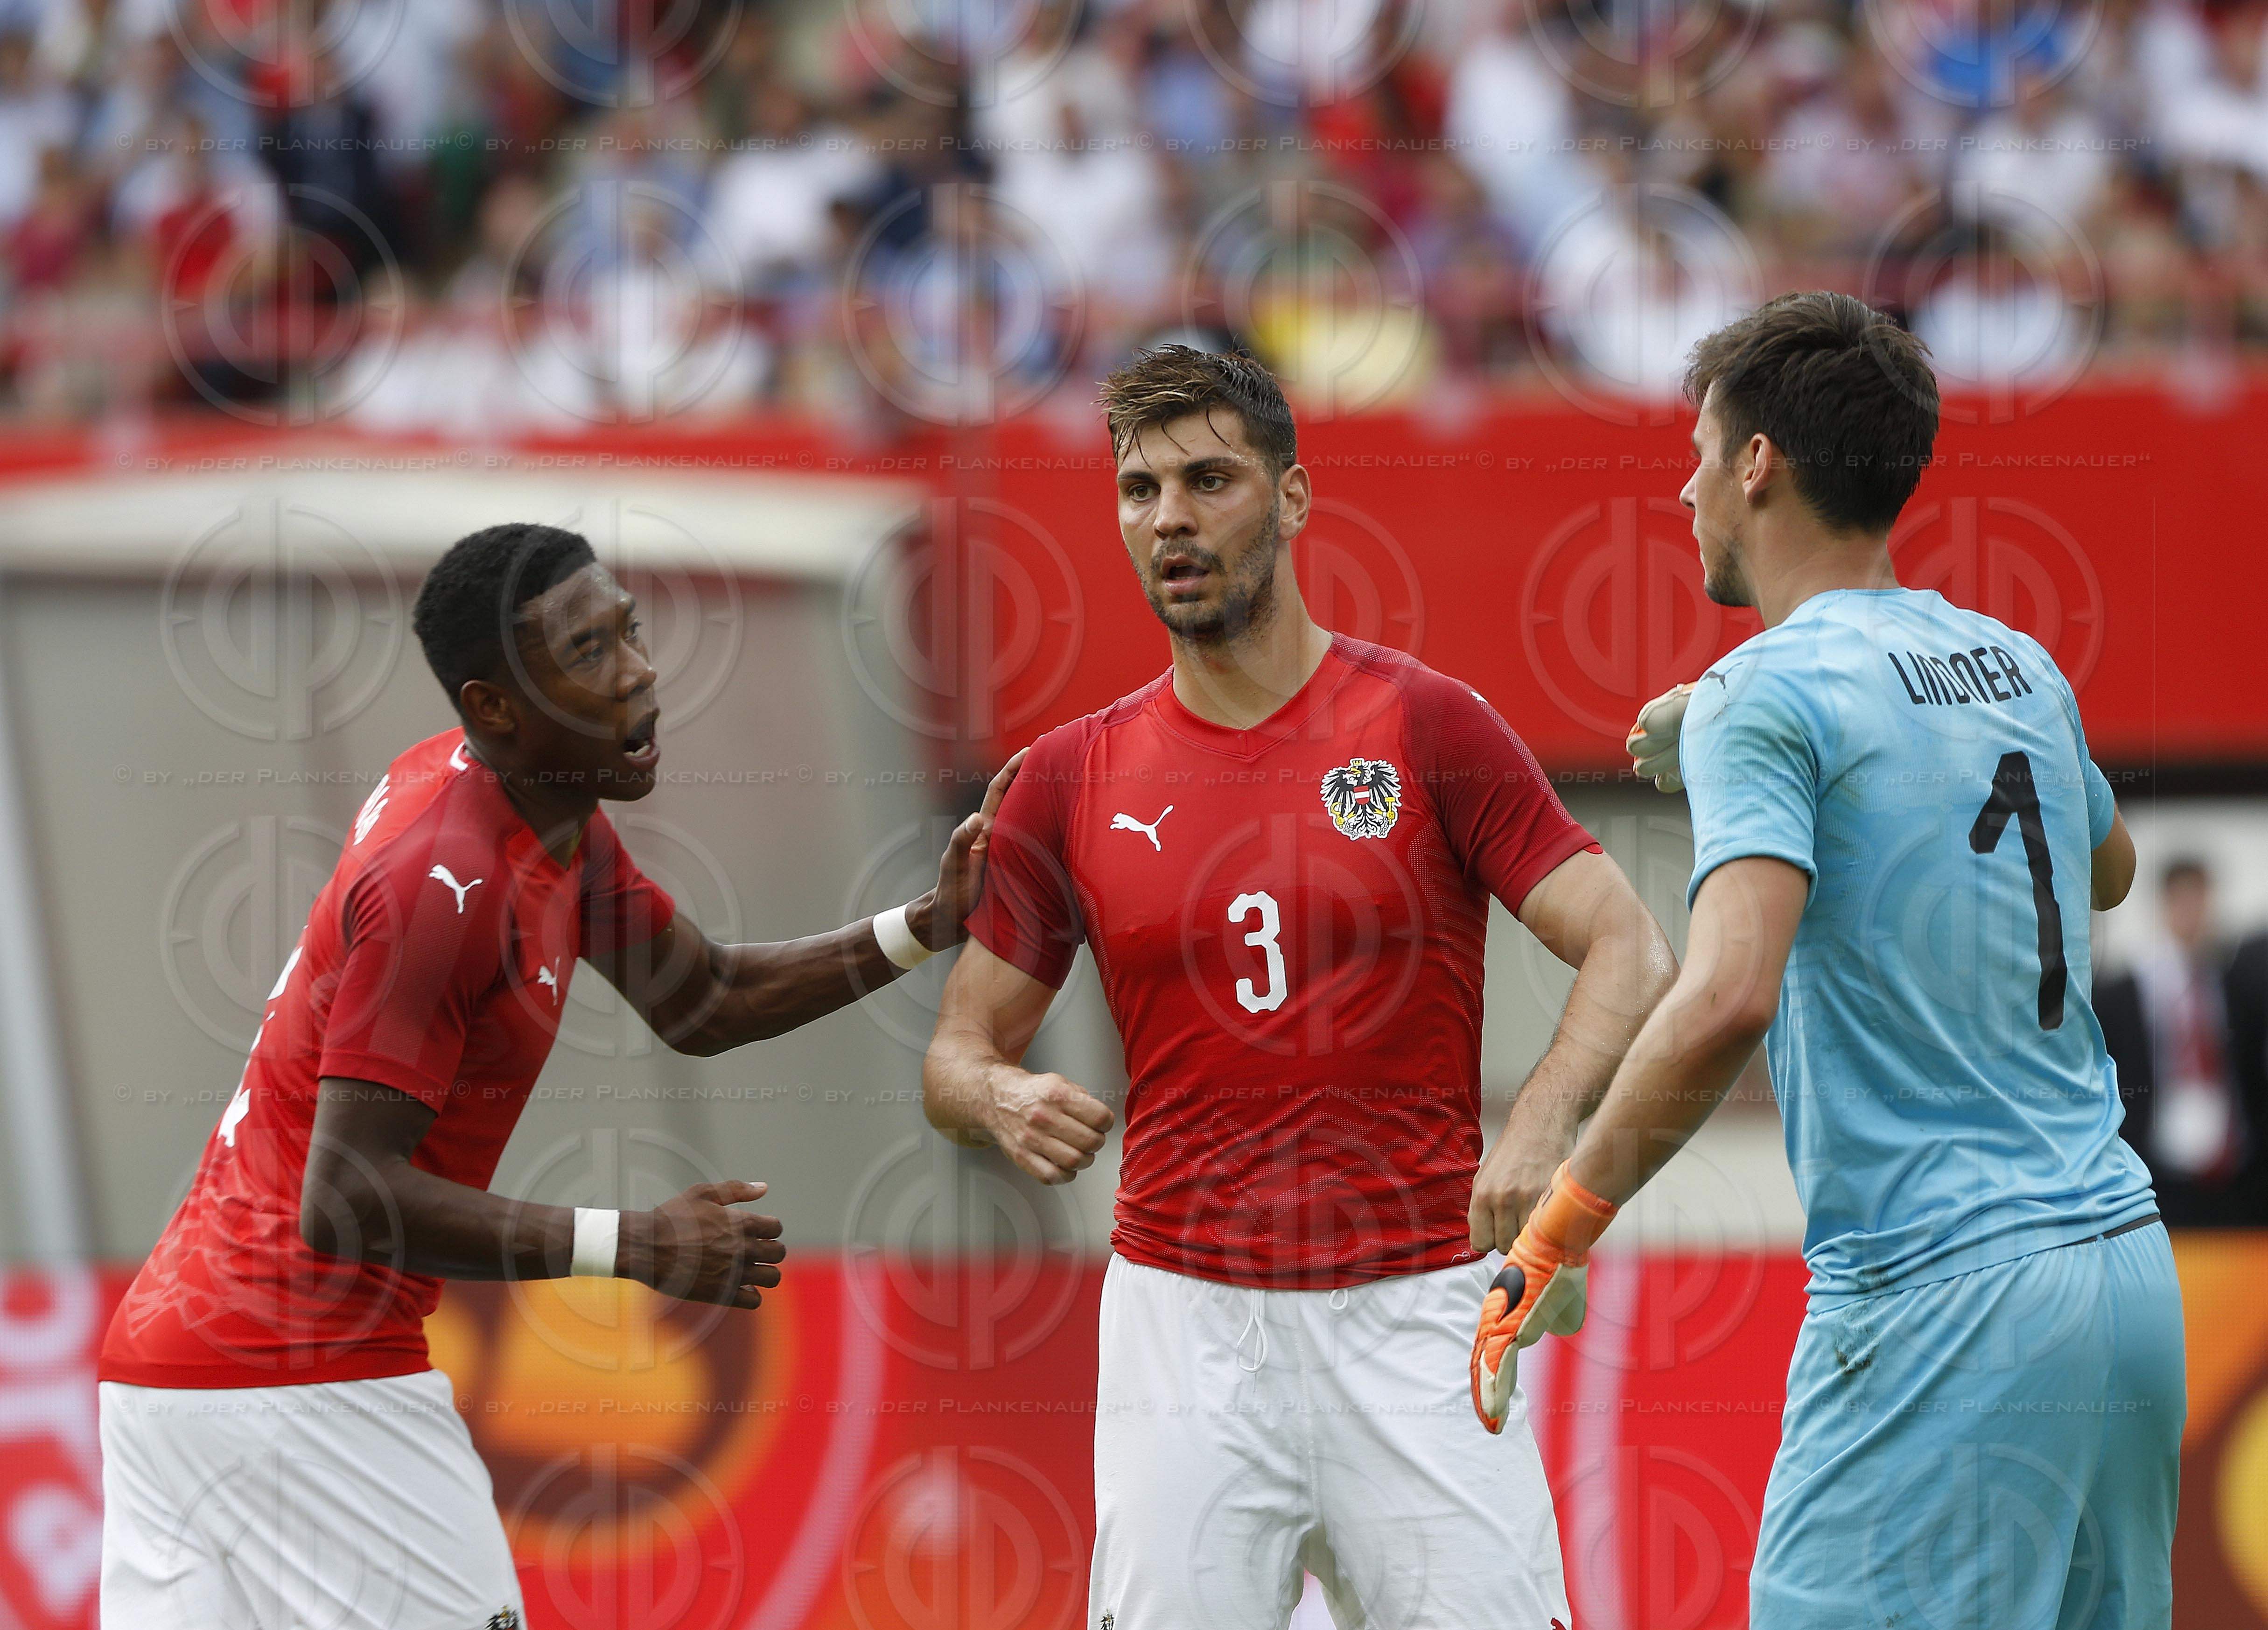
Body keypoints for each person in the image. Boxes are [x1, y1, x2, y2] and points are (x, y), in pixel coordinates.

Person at [96, 523, 1016, 1630]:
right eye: (589, 653)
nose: (637, 673)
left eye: (627, 629)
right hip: (298, 1374)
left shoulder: (550, 816)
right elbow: (344, 1198)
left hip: (174, 1375)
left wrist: (922, 927)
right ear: (495, 708)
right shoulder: (446, 878)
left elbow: (703, 999)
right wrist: (631, 1243)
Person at [922, 345, 1677, 1627]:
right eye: (1139, 488)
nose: (1170, 517)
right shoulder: (1066, 775)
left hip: (1422, 1306)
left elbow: (1629, 946)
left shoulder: (1424, 723)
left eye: (1208, 480)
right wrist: (996, 1094)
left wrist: (1540, 1132)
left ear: (1291, 498)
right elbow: (954, 1050)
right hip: (1183, 1327)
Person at [1475, 291, 2180, 1630]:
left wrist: (1559, 1220)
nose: (1681, 490)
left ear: (1756, 464)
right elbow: (2107, 870)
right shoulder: (2014, 659)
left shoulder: (1768, 692)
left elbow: (1728, 991)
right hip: (2123, 1278)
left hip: (1938, 1295)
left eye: (1694, 452)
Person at [2099, 857, 2259, 1224]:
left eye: (2200, 900)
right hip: (2159, 1167)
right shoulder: (2127, 991)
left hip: (2231, 1168)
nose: (2194, 913)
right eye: (2183, 900)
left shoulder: (2231, 982)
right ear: (2166, 905)